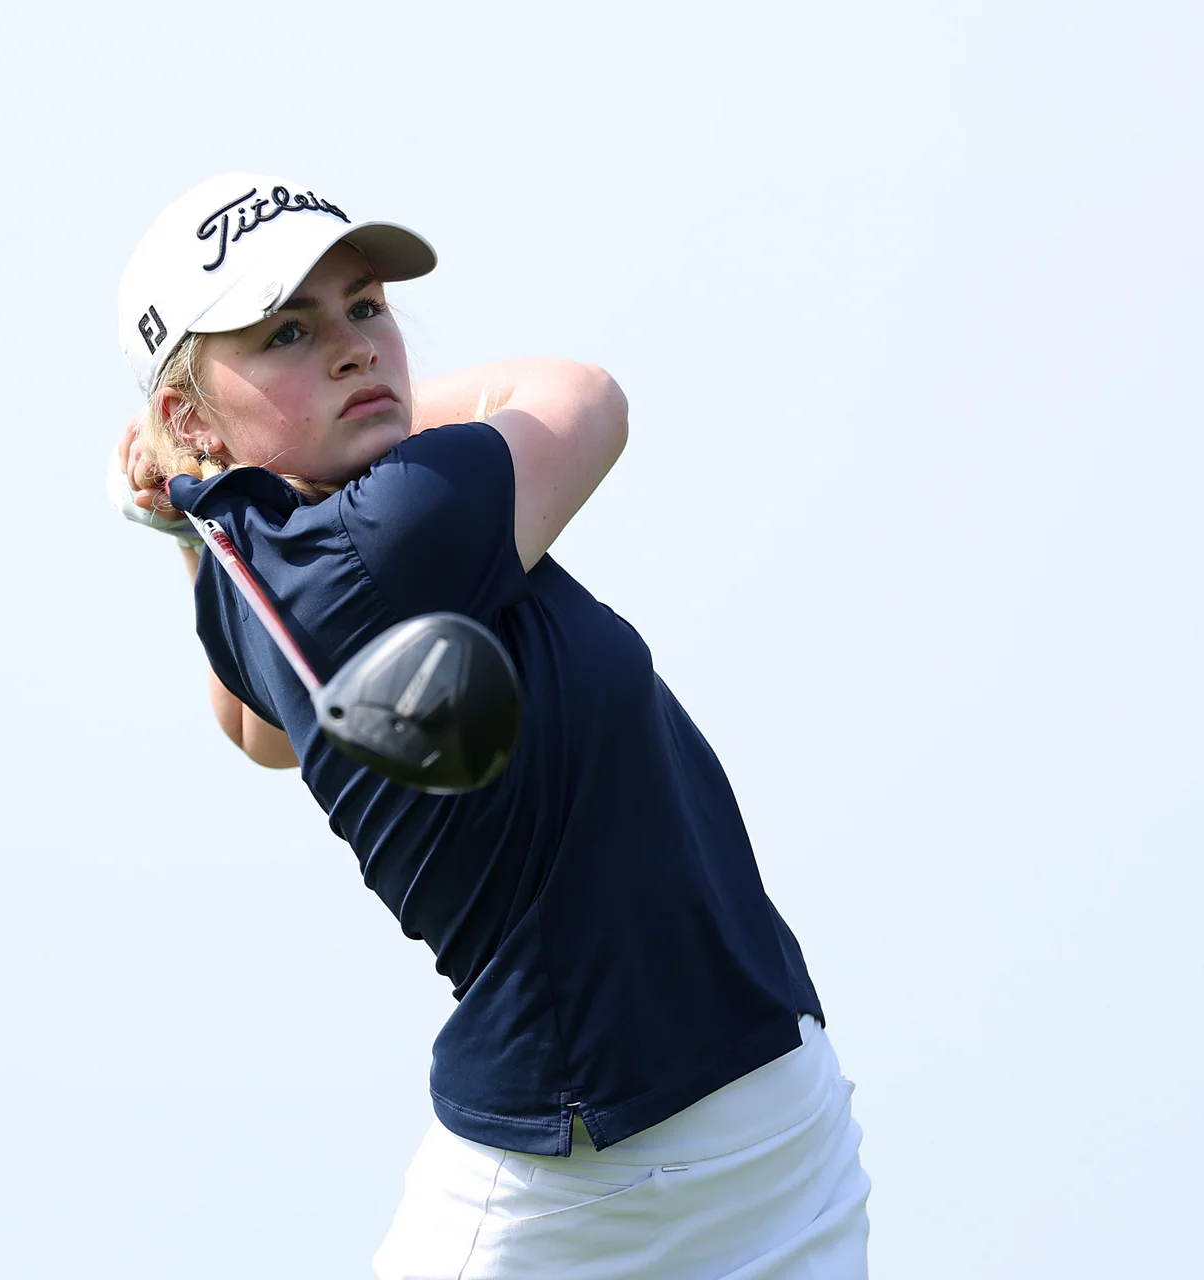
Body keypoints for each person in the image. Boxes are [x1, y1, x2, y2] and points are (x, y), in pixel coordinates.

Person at [107, 173, 872, 1278]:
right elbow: (583, 394)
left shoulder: (262, 551)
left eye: (365, 307)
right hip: (624, 1165)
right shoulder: (401, 521)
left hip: (703, 1133)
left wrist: (188, 507)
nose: (357, 348)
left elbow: (260, 729)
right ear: (188, 413)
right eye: (288, 330)